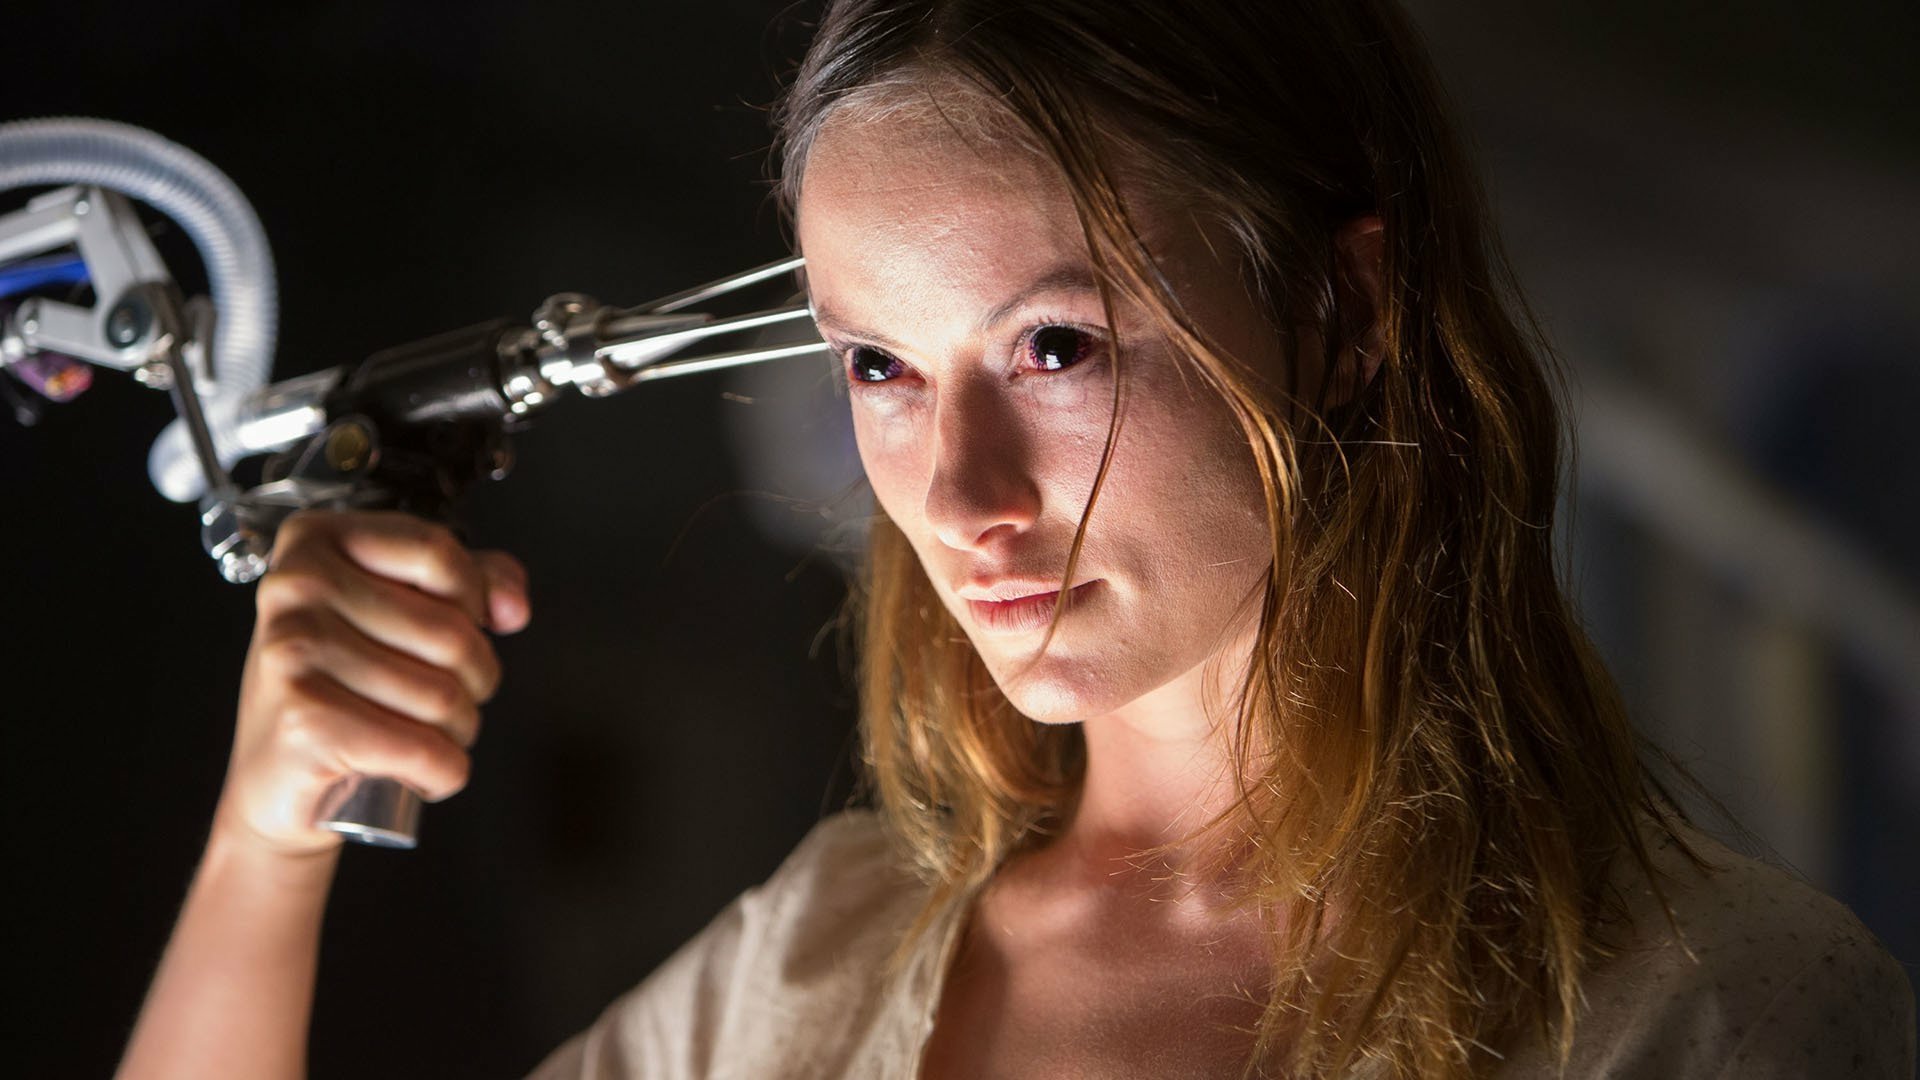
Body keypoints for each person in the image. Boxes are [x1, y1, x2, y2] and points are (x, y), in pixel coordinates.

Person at [118, 1, 1915, 1077]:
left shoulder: (1715, 1016)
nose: (961, 495)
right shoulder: (812, 976)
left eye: (1054, 346)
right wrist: (263, 840)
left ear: (1345, 313)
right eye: (883, 366)